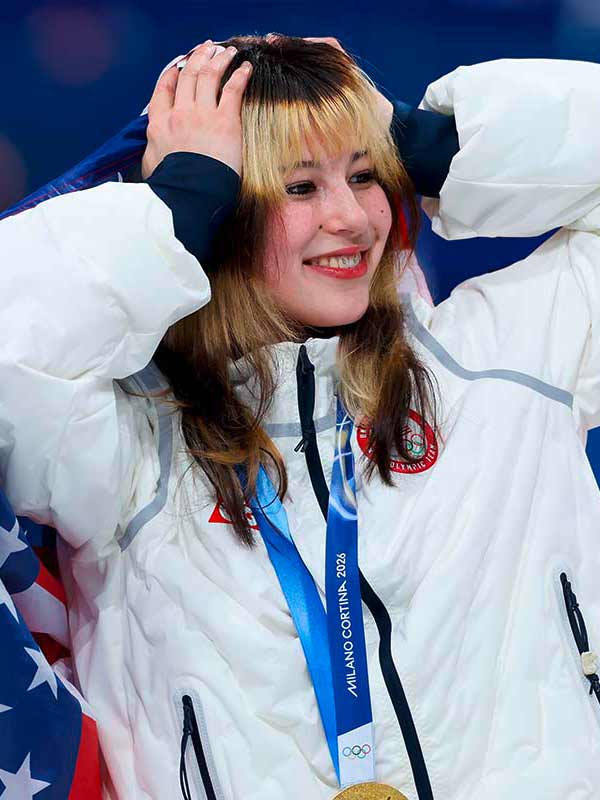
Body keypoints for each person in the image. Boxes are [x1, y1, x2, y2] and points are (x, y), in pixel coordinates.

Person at [1, 32, 600, 800]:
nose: (351, 217)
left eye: (366, 174)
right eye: (300, 187)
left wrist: (437, 144)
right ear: (223, 210)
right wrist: (174, 211)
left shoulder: (507, 359)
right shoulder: (125, 444)